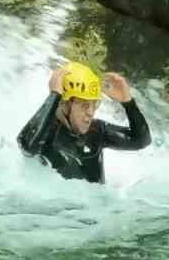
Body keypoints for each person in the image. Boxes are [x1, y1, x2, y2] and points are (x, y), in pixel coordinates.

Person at [17, 62, 151, 183]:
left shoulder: (97, 131)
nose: (91, 112)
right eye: (84, 105)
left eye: (95, 104)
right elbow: (26, 146)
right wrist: (54, 95)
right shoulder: (45, 133)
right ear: (64, 104)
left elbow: (141, 141)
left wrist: (128, 103)